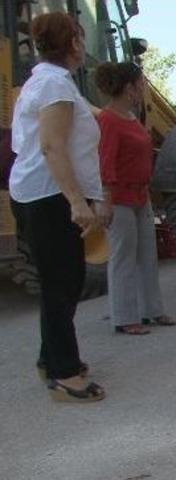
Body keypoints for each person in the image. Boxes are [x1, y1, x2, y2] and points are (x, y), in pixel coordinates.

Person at [9, 12, 108, 401]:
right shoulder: (55, 87)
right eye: (81, 38)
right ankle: (65, 374)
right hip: (50, 198)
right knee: (62, 284)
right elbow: (53, 146)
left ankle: (50, 358)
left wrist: (118, 120)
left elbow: (87, 115)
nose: (83, 45)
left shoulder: (52, 81)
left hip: (41, 195)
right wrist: (76, 201)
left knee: (63, 282)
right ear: (73, 43)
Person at [96, 61, 175, 335]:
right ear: (129, 87)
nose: (144, 88)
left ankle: (152, 309)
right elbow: (105, 161)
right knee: (123, 257)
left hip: (140, 195)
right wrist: (105, 199)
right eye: (141, 84)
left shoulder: (132, 117)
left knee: (147, 255)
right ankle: (125, 316)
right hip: (118, 197)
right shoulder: (108, 119)